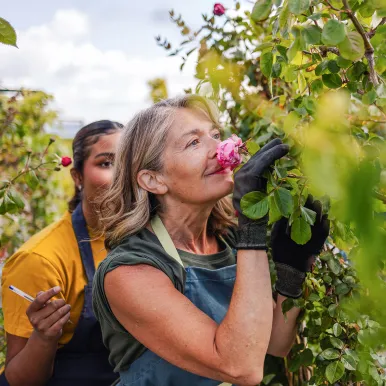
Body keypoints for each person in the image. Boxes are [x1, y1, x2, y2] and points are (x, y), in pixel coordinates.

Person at [92, 95, 329, 386]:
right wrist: (251, 230)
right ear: (153, 180)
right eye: (193, 142)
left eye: (216, 135)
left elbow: (276, 344)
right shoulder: (129, 272)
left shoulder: (225, 238)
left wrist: (292, 269)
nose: (218, 149)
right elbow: (240, 367)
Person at [1, 120, 124, 386]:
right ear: (77, 177)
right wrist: (44, 337)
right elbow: (19, 380)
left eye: (129, 163)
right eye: (106, 163)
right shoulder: (40, 260)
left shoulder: (142, 238)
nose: (120, 175)